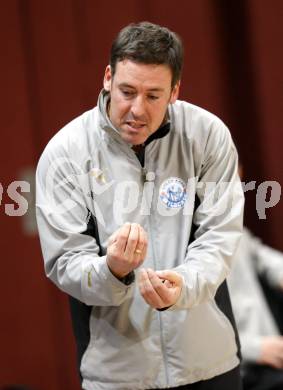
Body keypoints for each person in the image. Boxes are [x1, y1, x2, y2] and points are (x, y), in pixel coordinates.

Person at [36, 22, 244, 390]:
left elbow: (220, 236)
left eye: (153, 96)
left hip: (209, 364)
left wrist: (183, 286)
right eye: (127, 91)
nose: (136, 110)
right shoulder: (65, 153)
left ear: (175, 91)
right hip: (117, 375)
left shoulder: (208, 135)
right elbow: (64, 262)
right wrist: (112, 270)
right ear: (107, 78)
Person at [228, 227, 283, 390]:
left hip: (270, 352)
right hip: (235, 370)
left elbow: (260, 255)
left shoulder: (231, 226)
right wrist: (254, 349)